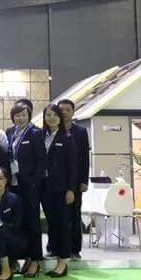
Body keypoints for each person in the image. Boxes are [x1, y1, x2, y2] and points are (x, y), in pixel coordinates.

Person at [7, 102, 46, 278]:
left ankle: (36, 260)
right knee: (20, 223)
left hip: (30, 186)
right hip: (15, 185)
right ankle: (27, 257)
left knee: (33, 223)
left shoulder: (36, 133)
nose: (20, 118)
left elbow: (41, 160)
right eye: (17, 115)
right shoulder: (10, 132)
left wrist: (34, 182)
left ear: (29, 115)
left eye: (23, 114)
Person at [40, 104, 77, 278]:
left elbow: (72, 167)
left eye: (55, 115)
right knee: (53, 224)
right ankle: (56, 257)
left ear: (60, 118)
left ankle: (63, 262)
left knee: (63, 224)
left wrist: (71, 189)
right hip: (45, 188)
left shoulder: (67, 138)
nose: (51, 118)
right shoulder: (41, 136)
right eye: (48, 115)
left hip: (62, 189)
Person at [58, 99, 90, 260]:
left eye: (67, 110)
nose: (64, 112)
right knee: (57, 216)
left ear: (73, 112)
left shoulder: (81, 132)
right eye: (61, 110)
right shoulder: (53, 130)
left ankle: (75, 249)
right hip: (57, 181)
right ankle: (54, 247)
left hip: (76, 181)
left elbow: (85, 158)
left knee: (74, 215)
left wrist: (84, 180)